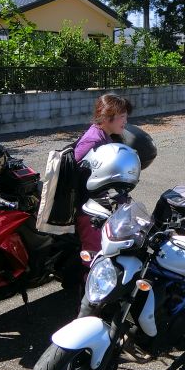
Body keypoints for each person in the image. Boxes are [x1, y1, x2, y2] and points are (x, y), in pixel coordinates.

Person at [73, 93, 132, 264]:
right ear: (106, 117)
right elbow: (76, 173)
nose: (125, 121)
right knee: (95, 257)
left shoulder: (105, 136)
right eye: (121, 116)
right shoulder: (92, 141)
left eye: (125, 116)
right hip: (89, 210)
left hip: (100, 204)